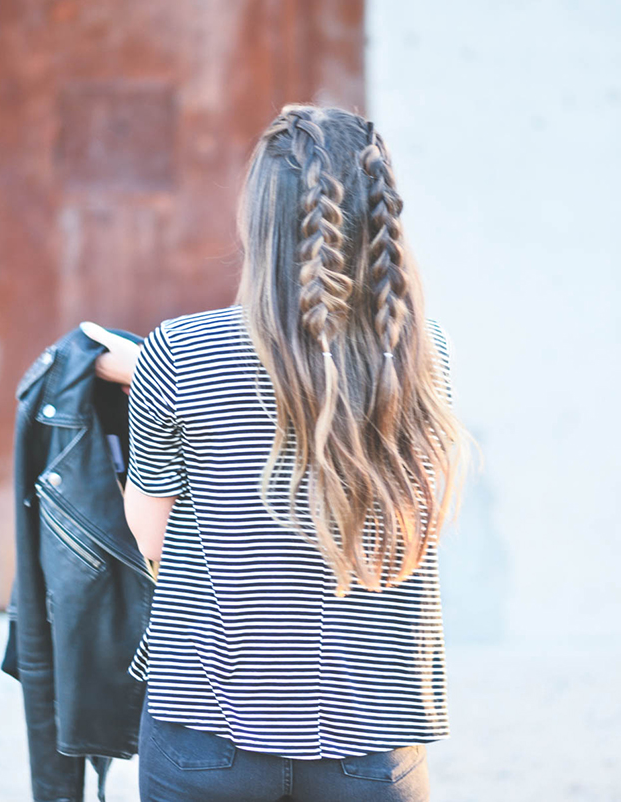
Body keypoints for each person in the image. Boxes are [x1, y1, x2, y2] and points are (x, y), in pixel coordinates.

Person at [82, 104, 475, 802]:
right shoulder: (423, 353)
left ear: (257, 220)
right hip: (372, 740)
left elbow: (152, 536)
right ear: (380, 217)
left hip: (210, 729)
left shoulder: (178, 353)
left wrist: (141, 370)